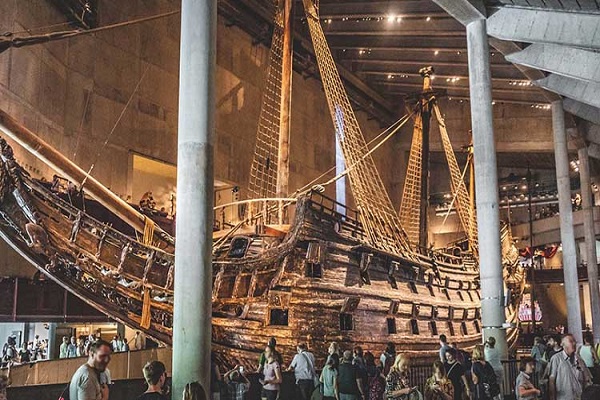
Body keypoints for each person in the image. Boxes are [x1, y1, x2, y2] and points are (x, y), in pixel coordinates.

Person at [548, 334, 593, 400]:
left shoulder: (579, 360)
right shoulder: (556, 359)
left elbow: (587, 379)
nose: (574, 343)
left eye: (575, 341)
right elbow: (551, 381)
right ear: (562, 344)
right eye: (571, 341)